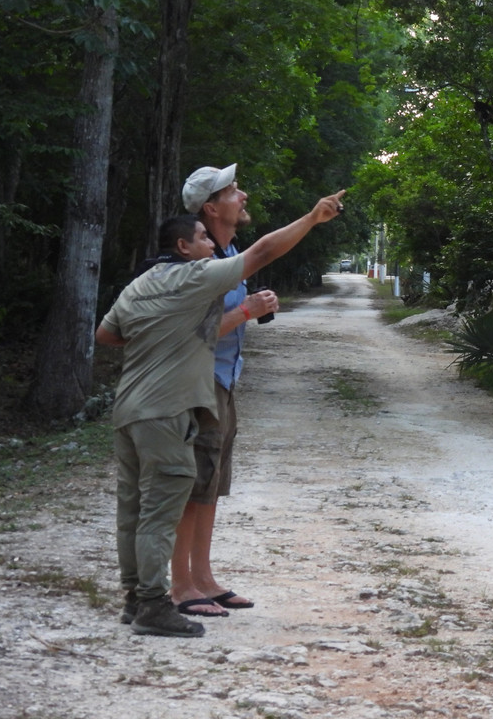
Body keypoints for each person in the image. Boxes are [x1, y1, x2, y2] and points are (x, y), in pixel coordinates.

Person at [96, 188, 345, 638]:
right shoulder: (196, 278)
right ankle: (156, 604)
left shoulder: (140, 284)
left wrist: (163, 338)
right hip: (168, 409)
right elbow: (264, 250)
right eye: (202, 238)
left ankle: (135, 599)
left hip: (129, 408)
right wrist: (311, 218)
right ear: (184, 248)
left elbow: (107, 335)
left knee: (132, 509)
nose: (212, 245)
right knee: (161, 510)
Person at [168, 164, 275, 618]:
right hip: (198, 384)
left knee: (211, 483)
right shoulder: (198, 261)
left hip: (225, 380)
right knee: (190, 483)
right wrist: (247, 312)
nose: (243, 195)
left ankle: (204, 577)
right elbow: (191, 333)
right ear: (211, 207)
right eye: (233, 190)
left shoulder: (228, 252)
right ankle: (180, 586)